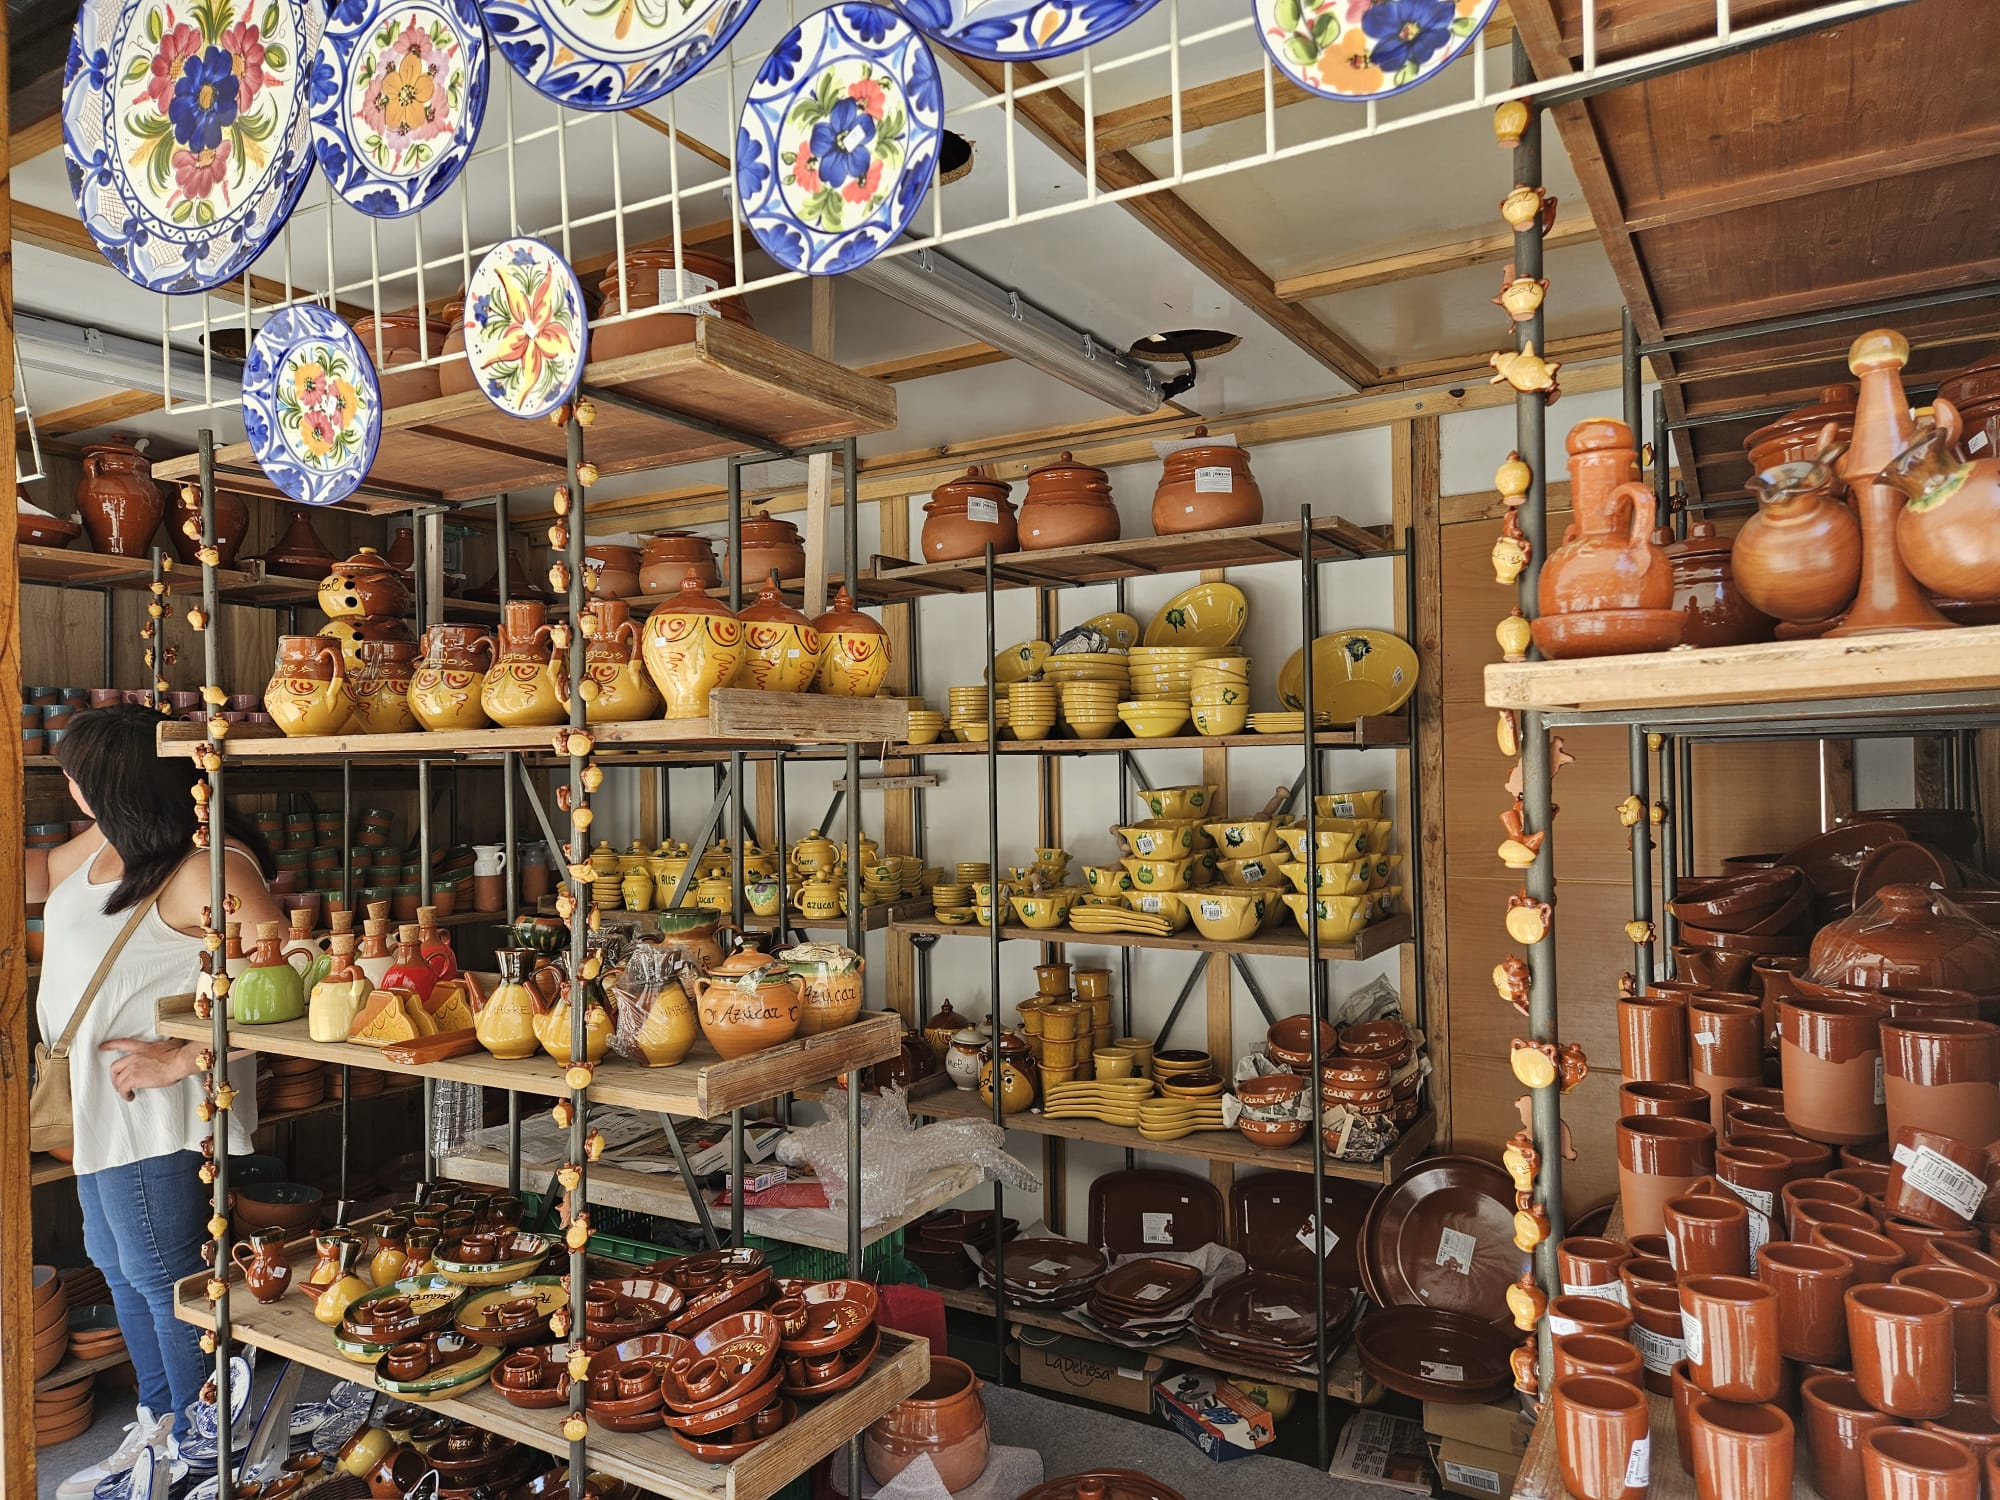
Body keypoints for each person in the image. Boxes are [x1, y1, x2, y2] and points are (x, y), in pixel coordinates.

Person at [32, 706, 280, 1496]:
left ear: (118, 782)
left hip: (158, 1113)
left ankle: (213, 1452)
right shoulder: (109, 838)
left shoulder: (208, 865)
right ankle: (164, 1427)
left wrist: (183, 1057)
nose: (66, 780)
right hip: (100, 1107)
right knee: (120, 1269)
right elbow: (34, 879)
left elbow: (298, 980)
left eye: (77, 770)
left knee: (171, 1280)